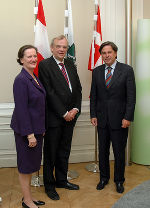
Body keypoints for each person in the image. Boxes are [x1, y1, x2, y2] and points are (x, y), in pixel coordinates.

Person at [38, 35, 82, 200]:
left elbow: (77, 88)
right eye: (58, 46)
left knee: (64, 151)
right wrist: (64, 113)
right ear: (52, 48)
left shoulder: (70, 63)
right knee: (50, 153)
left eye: (64, 47)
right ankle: (49, 186)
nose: (62, 49)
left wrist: (75, 109)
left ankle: (62, 180)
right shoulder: (45, 65)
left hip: (71, 117)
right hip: (55, 119)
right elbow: (49, 93)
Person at [90, 41, 136, 193]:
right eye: (103, 53)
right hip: (102, 119)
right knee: (103, 151)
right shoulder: (96, 71)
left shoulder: (127, 70)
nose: (106, 55)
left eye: (109, 52)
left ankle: (119, 180)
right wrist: (93, 114)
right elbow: (94, 96)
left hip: (120, 120)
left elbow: (131, 97)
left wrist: (128, 117)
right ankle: (104, 178)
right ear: (101, 55)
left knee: (119, 152)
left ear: (115, 53)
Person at [10, 45, 46, 208]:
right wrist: (30, 134)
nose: (33, 59)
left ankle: (28, 197)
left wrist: (41, 128)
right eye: (29, 56)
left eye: (34, 56)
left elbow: (38, 107)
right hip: (27, 132)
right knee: (25, 167)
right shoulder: (21, 80)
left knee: (32, 165)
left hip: (36, 129)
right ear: (21, 59)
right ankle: (27, 200)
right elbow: (22, 110)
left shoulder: (34, 77)